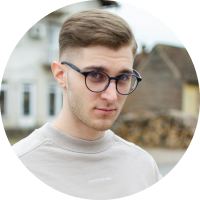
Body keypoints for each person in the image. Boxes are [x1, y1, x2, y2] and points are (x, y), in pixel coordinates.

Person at [12, 8, 163, 199]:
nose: (111, 96)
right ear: (60, 75)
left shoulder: (143, 165)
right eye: (95, 75)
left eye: (124, 77)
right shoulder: (26, 161)